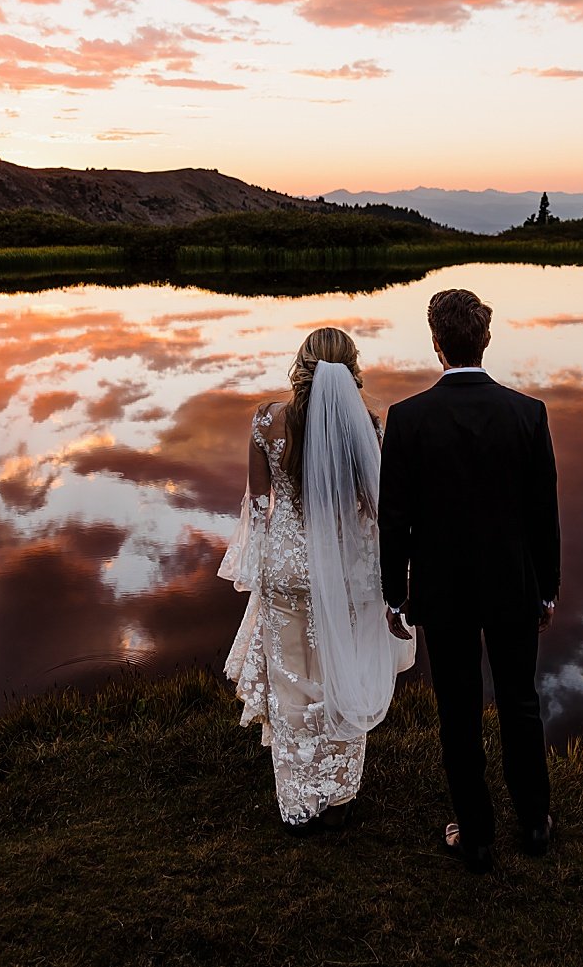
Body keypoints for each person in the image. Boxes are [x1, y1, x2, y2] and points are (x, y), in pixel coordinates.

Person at [378, 289, 561, 873]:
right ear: (485, 340)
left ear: (437, 345)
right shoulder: (527, 413)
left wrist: (395, 594)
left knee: (457, 709)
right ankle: (535, 822)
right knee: (520, 701)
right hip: (513, 585)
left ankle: (477, 835)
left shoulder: (408, 419)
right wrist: (547, 589)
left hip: (445, 591)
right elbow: (543, 513)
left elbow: (395, 518)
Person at [219, 327, 417, 832]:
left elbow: (260, 507)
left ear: (301, 365)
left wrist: (261, 564)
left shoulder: (267, 420)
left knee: (292, 687)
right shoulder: (367, 427)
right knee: (339, 676)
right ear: (352, 370)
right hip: (344, 570)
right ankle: (339, 795)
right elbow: (376, 510)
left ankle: (298, 801)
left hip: (285, 567)